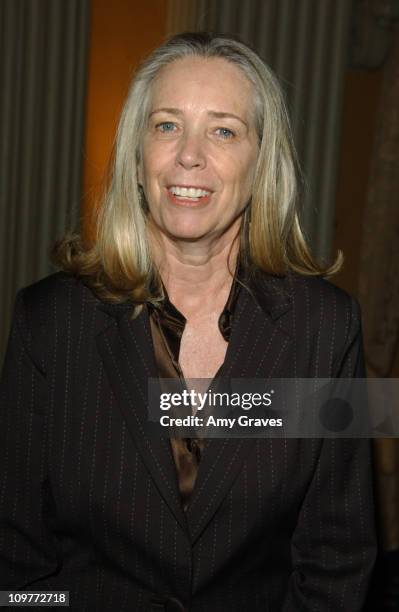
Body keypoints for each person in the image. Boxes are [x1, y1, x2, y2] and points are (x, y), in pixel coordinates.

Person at [0, 32, 376, 611]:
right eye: (167, 125)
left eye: (223, 130)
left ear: (262, 159)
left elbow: (337, 559)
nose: (189, 155)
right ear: (137, 151)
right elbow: (16, 562)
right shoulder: (49, 323)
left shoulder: (326, 330)